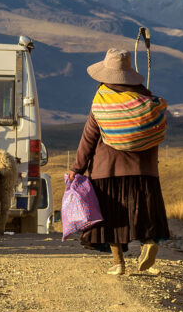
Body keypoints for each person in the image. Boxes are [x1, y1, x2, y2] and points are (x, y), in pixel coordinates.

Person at [66, 48, 170, 275]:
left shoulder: (103, 99)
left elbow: (89, 138)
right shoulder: (145, 97)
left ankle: (118, 263)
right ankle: (149, 243)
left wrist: (77, 168)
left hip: (108, 169)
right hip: (144, 169)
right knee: (143, 212)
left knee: (111, 216)